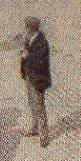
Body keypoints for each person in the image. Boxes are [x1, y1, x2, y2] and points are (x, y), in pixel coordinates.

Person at [19, 16, 52, 147]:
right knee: (31, 102)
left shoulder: (42, 43)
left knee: (40, 106)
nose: (25, 30)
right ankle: (34, 127)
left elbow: (41, 63)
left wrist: (28, 56)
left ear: (31, 29)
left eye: (26, 28)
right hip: (29, 76)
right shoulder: (29, 39)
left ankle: (44, 134)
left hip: (38, 79)